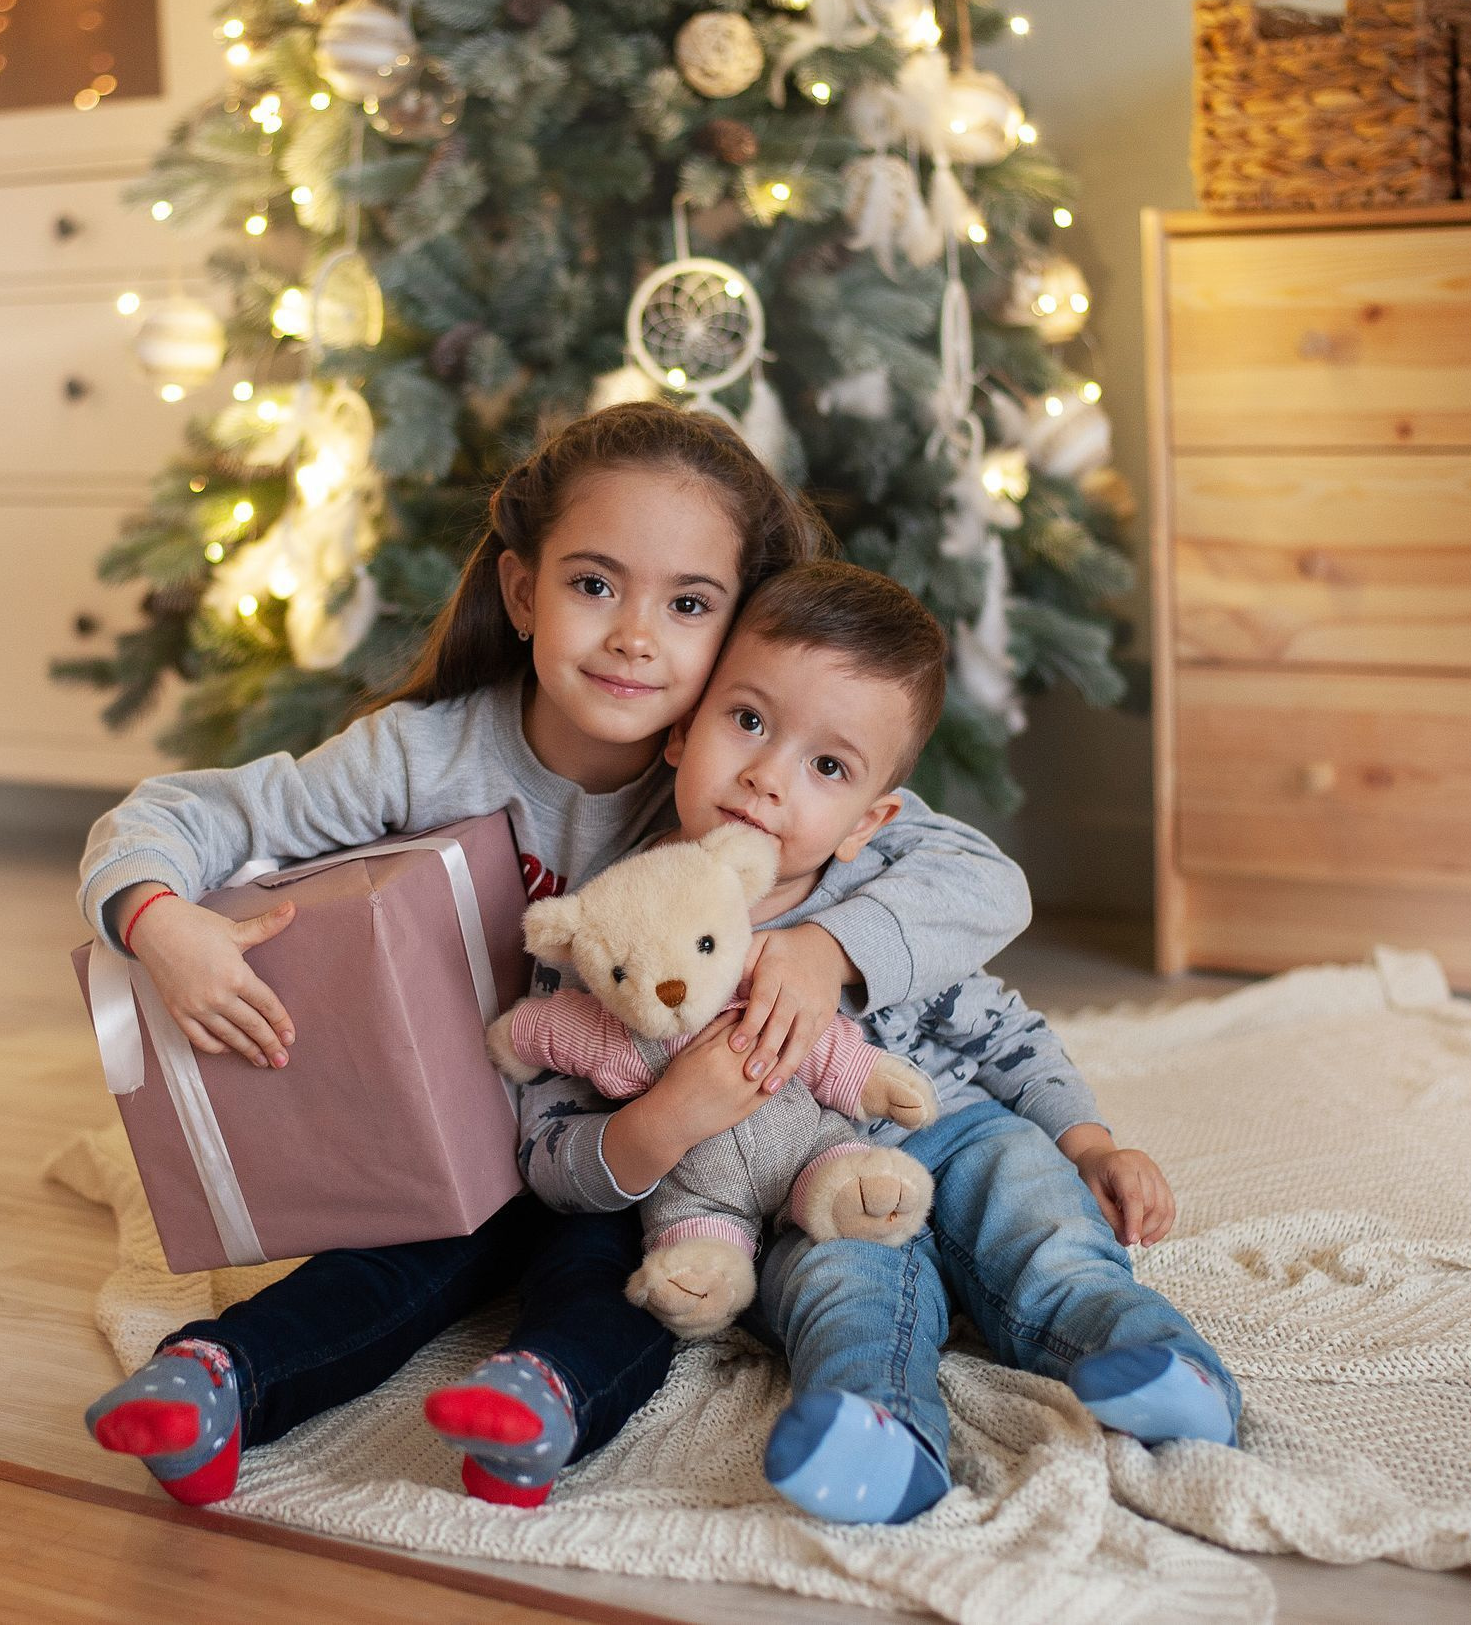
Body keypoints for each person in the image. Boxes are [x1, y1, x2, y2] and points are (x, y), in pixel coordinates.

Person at [75, 406, 1033, 1507]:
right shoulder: (428, 754)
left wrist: (822, 947)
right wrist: (156, 917)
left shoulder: (741, 778)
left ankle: (539, 1409)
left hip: (642, 1141)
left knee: (611, 1275)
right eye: (593, 585)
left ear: (732, 633)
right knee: (395, 1262)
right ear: (524, 591)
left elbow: (978, 876)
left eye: (685, 605)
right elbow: (183, 814)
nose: (634, 635)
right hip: (464, 1127)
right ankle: (215, 1382)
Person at [637, 559, 1241, 1524]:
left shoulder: (891, 903)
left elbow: (1004, 1030)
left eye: (826, 767)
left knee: (1036, 1204)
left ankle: (1151, 1358)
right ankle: (877, 1433)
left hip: (952, 1119)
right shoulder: (643, 920)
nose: (765, 775)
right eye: (746, 721)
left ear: (869, 821)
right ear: (682, 729)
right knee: (844, 1291)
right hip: (806, 1184)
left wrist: (1089, 1143)